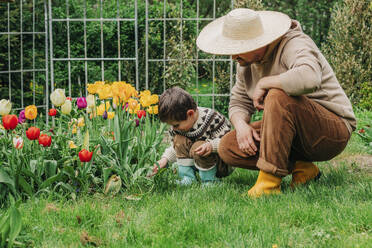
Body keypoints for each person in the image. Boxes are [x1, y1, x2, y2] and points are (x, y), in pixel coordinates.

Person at [196, 8, 356, 197]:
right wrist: (241, 127)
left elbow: (310, 77)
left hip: (331, 130)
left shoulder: (294, 43)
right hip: (295, 133)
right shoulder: (246, 63)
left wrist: (265, 83)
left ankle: (268, 184)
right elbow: (239, 101)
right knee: (228, 146)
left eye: (238, 48)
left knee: (277, 95)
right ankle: (303, 169)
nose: (233, 57)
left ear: (259, 41)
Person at [152, 87, 233, 185]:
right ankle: (188, 178)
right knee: (179, 140)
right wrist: (165, 159)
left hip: (221, 164)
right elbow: (176, 148)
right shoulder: (178, 128)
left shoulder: (213, 119)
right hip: (197, 162)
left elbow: (229, 143)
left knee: (198, 146)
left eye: (176, 125)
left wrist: (212, 146)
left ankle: (210, 180)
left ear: (190, 114)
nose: (173, 128)